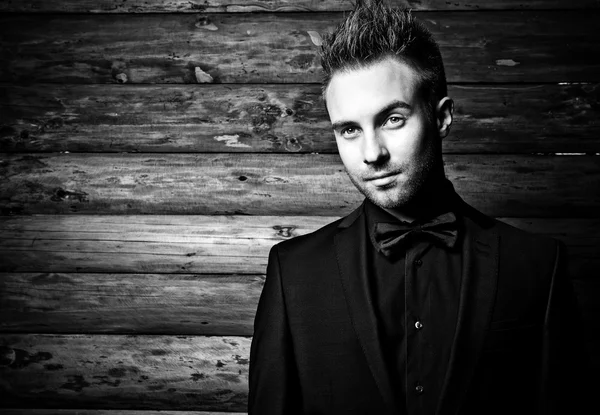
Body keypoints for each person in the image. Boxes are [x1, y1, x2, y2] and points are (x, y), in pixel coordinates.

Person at [249, 1, 588, 414]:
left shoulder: (537, 267)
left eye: (392, 119)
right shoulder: (294, 272)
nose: (372, 154)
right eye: (350, 129)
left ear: (441, 117)